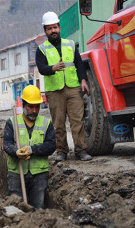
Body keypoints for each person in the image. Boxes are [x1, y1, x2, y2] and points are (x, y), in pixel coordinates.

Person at [35, 11, 92, 162]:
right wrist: (52, 68)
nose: (53, 31)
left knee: (77, 121)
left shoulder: (70, 44)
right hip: (54, 91)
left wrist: (83, 80)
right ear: (45, 31)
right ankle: (61, 151)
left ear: (59, 28)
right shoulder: (41, 49)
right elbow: (41, 68)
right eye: (49, 28)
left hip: (73, 88)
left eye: (55, 27)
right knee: (58, 123)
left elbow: (79, 64)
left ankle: (81, 150)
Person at [3, 85, 56, 209]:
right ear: (23, 105)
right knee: (15, 207)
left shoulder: (46, 123)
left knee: (38, 208)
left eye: (37, 107)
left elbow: (51, 145)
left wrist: (33, 150)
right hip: (16, 172)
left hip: (39, 173)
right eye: (30, 107)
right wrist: (16, 152)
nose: (34, 110)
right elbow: (6, 144)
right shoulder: (12, 122)